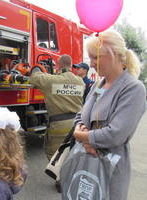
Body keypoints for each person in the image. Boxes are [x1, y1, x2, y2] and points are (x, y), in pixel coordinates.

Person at [73, 30, 146, 200]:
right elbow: (81, 114)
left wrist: (83, 136)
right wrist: (80, 129)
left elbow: (116, 134)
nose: (90, 63)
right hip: (85, 163)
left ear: (113, 54)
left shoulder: (133, 88)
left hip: (110, 169)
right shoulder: (98, 84)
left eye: (95, 57)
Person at [30, 54, 84, 191]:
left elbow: (35, 78)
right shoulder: (80, 82)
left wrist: (37, 67)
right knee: (71, 152)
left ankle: (61, 180)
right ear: (71, 66)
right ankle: (72, 176)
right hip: (76, 124)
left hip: (58, 125)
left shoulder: (51, 81)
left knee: (54, 152)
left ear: (58, 66)